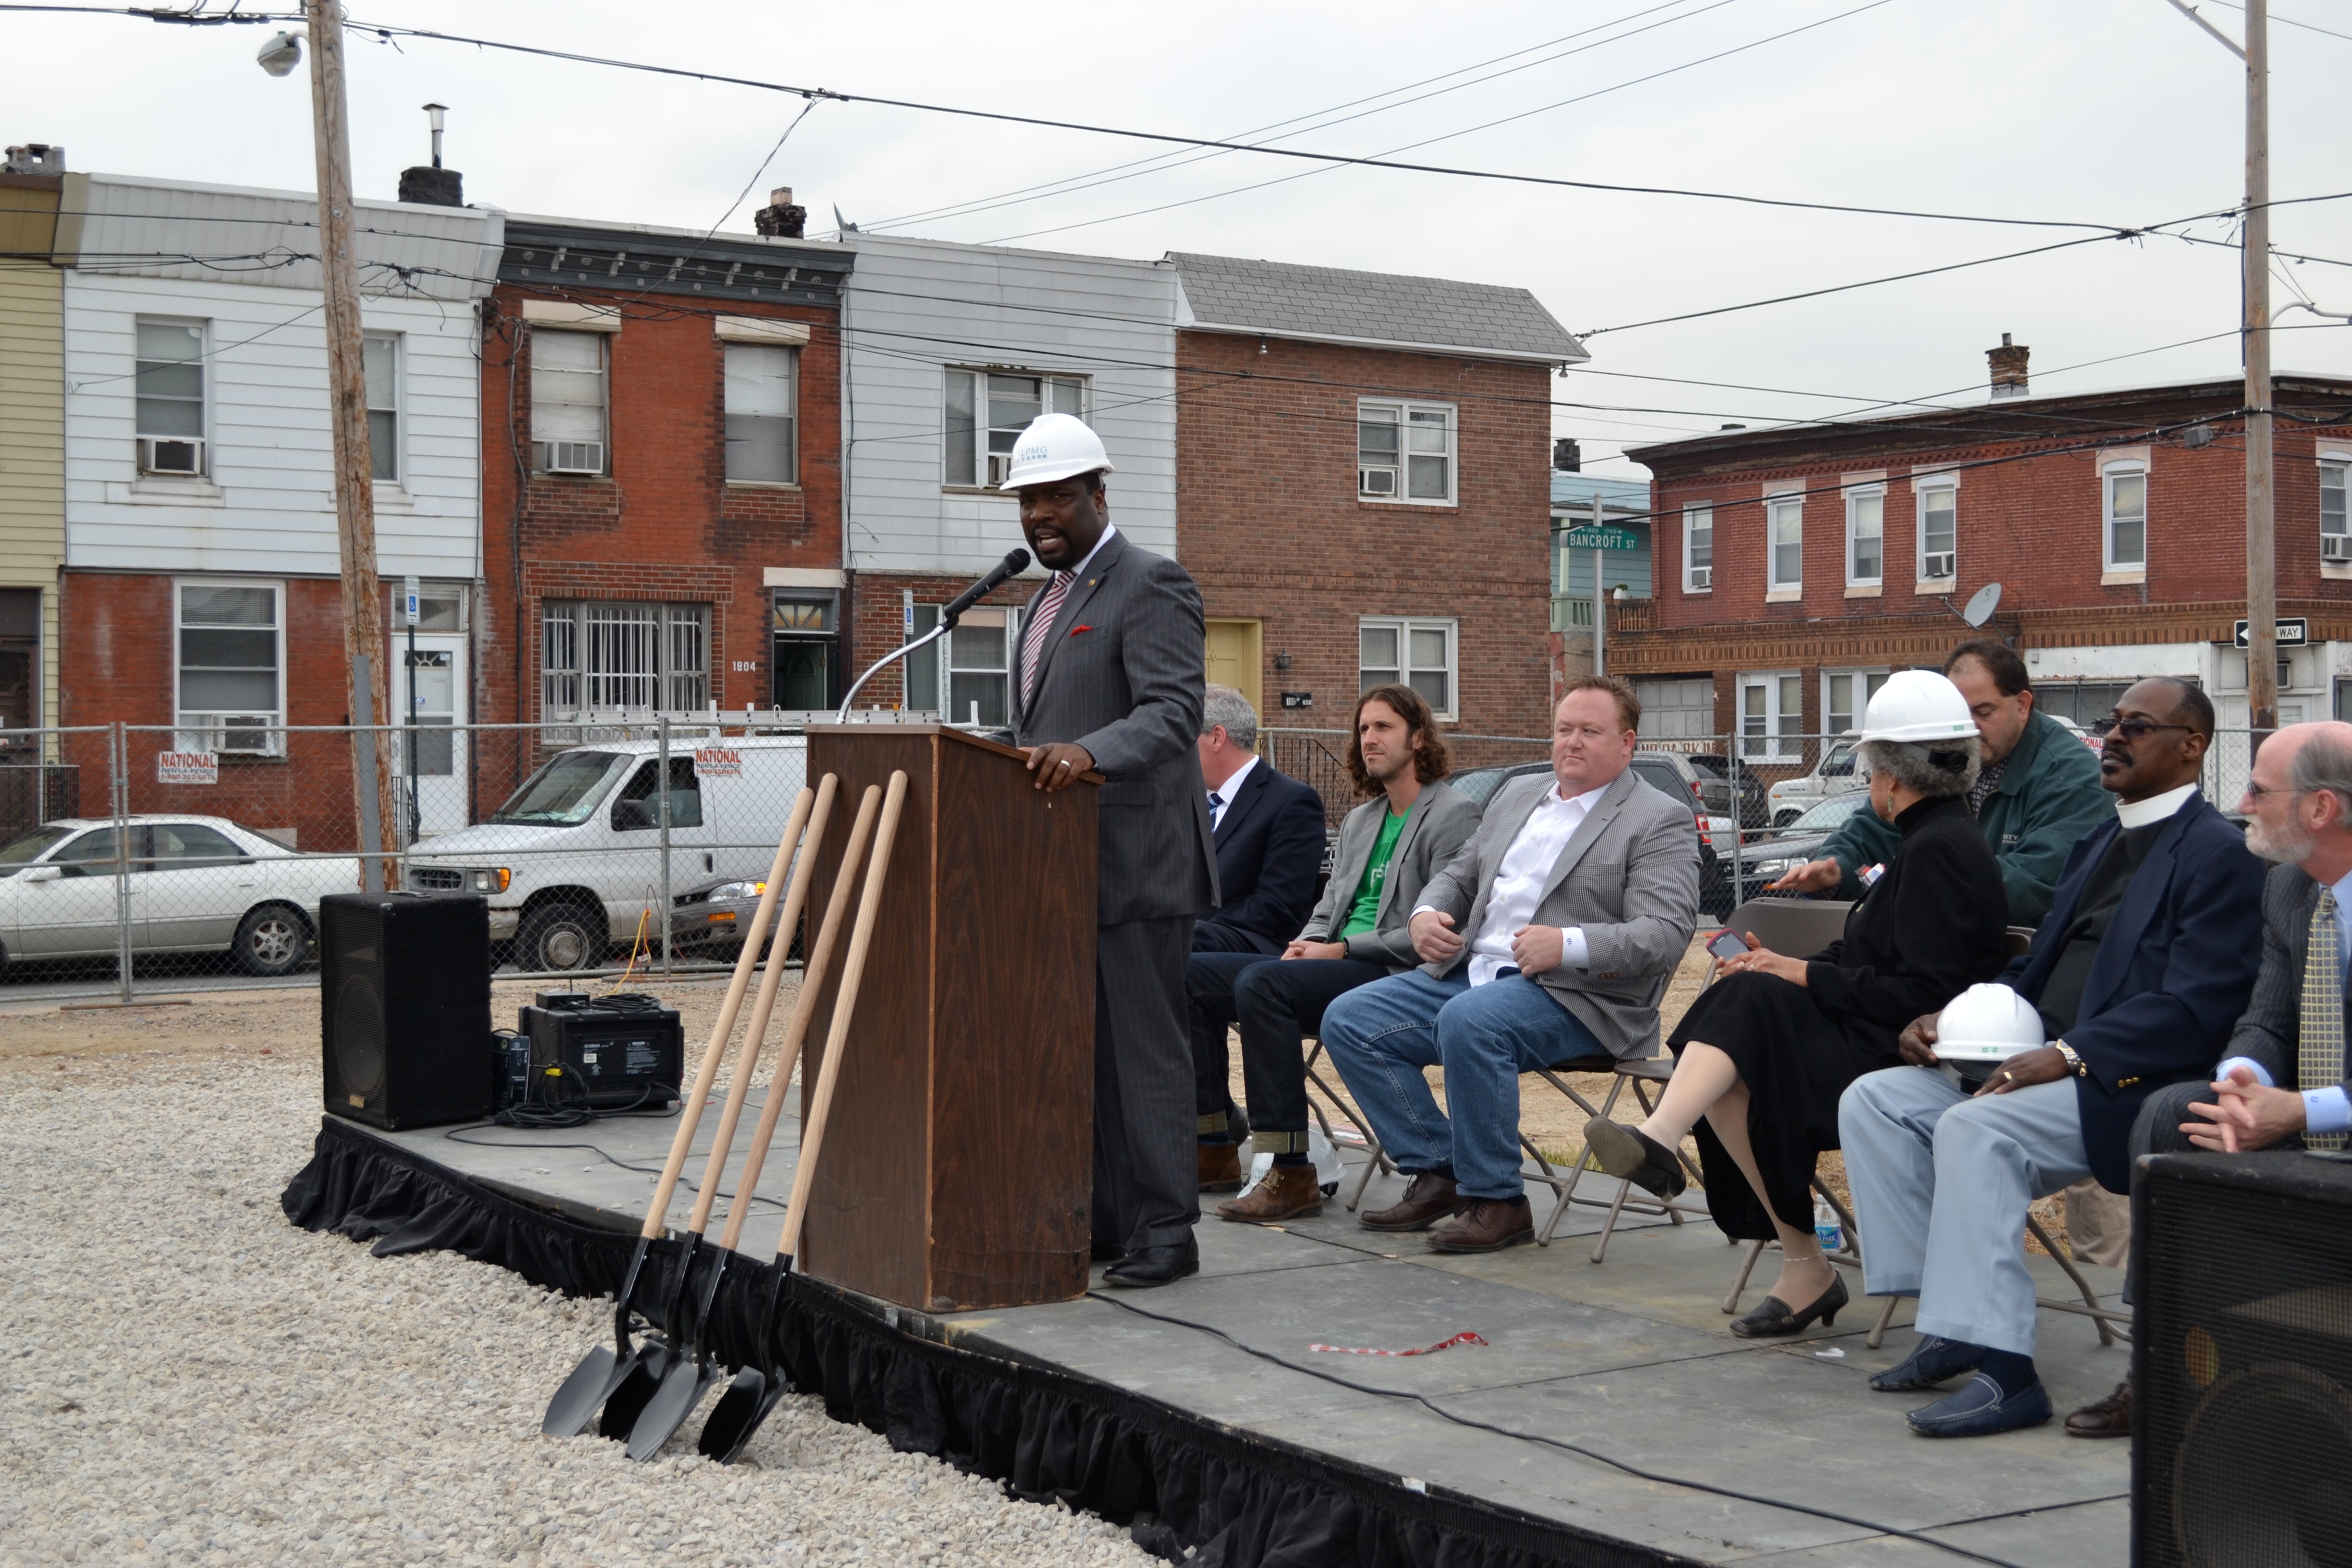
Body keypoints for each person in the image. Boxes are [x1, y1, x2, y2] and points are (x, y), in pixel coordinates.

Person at [1839, 678, 2264, 1437]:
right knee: (1878, 1099)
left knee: (1975, 1130)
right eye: (2112, 723)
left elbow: (2195, 1009)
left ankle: (2007, 1375)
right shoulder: (2102, 840)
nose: (2115, 738)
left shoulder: (2219, 855)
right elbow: (2034, 972)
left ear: (2192, 746)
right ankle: (1952, 1324)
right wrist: (1949, 1020)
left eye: (2138, 726)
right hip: (2029, 1065)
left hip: (2129, 1087)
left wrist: (2069, 1054)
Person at [1585, 670, 2009, 1336]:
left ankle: (1662, 1141)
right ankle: (1802, 1263)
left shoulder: (1939, 852)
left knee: (1749, 1010)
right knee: (1738, 1043)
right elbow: (1873, 960)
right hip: (1874, 1033)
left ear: (1893, 779)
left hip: (1907, 1055)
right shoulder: (1929, 843)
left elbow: (1924, 994)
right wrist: (1788, 968)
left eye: (1870, 769)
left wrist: (1798, 976)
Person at [1318, 676, 1700, 1255]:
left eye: (1589, 732)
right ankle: (1439, 1170)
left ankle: (1499, 1200)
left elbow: (1665, 935)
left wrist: (1568, 944)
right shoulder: (1520, 793)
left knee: (1473, 1022)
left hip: (1579, 997)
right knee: (1350, 1018)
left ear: (1627, 744)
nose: (1572, 742)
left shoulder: (1657, 817)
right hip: (1471, 974)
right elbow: (1460, 875)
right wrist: (1426, 914)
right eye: (1563, 729)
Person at [2061, 718, 2352, 1439]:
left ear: (2321, 809)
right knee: (2172, 1113)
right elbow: (2265, 1021)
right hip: (2301, 1117)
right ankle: (2161, 1366)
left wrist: (2299, 1111)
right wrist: (2241, 1085)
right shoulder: (2288, 891)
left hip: (2323, 1118)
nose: (2242, 804)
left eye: (2258, 790)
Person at [1008, 412, 1220, 1289]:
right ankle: (1110, 1217)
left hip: (1136, 866)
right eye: (1027, 500)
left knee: (1144, 1056)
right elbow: (1040, 728)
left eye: (1057, 496)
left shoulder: (1150, 583)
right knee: (1085, 1057)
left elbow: (1171, 713)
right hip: (1064, 874)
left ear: (1099, 492)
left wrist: (1088, 752)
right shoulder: (1038, 601)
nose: (1039, 515)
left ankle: (1168, 1230)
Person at [1186, 684, 1481, 1218]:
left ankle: (1288, 1169)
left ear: (1418, 738)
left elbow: (1436, 926)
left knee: (1262, 984)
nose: (1370, 738)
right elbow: (1329, 903)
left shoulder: (1454, 814)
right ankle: (1210, 1142)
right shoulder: (1361, 819)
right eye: (1363, 728)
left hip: (1394, 970)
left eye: (1384, 727)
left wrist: (1341, 949)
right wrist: (1312, 943)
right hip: (1336, 962)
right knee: (1185, 976)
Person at [1771, 640, 2109, 927]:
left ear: (2022, 705)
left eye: (1984, 711)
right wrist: (1836, 869)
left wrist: (1911, 893)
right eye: (1960, 713)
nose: (1970, 727)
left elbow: (2036, 885)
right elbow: (1882, 819)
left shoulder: (2068, 776)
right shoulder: (1949, 751)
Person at [1190, 685, 1326, 958]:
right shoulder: (1193, 803)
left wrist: (1191, 926)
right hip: (1197, 937)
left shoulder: (1293, 801)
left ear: (1217, 738)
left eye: (1186, 737)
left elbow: (1278, 908)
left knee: (1167, 939)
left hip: (1253, 946)